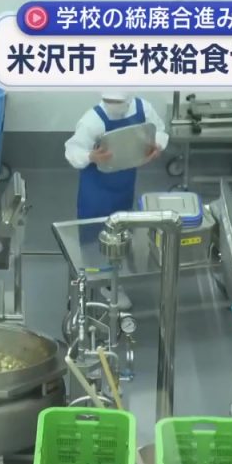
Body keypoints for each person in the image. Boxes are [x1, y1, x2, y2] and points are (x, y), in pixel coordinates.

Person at [64, 92, 168, 308]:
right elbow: (73, 150)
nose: (114, 106)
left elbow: (159, 130)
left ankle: (114, 275)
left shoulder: (143, 109)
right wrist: (91, 156)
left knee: (120, 231)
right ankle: (101, 281)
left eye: (118, 102)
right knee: (94, 234)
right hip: (96, 190)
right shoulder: (93, 120)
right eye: (109, 101)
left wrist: (156, 145)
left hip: (124, 182)